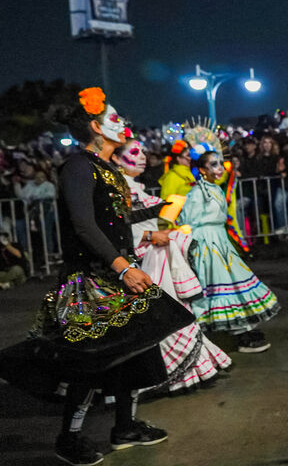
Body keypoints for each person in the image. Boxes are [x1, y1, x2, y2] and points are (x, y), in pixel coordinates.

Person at [0, 88, 193, 466]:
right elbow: (84, 226)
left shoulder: (109, 169)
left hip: (118, 277)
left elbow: (115, 221)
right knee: (88, 363)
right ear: (95, 127)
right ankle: (68, 438)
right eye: (115, 118)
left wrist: (163, 209)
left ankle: (125, 427)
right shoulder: (77, 166)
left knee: (134, 353)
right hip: (90, 281)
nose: (124, 123)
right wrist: (123, 266)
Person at [114, 139, 232, 391]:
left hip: (157, 256)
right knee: (163, 318)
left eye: (143, 151)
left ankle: (188, 373)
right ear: (115, 159)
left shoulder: (136, 188)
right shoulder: (118, 190)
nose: (143, 157)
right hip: (142, 263)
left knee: (174, 313)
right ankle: (160, 379)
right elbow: (115, 230)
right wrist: (149, 236)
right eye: (135, 152)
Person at [180, 143, 280, 353]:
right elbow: (188, 220)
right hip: (207, 245)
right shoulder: (197, 193)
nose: (219, 168)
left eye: (220, 163)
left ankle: (243, 329)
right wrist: (196, 248)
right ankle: (238, 333)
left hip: (221, 241)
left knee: (234, 285)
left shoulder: (215, 189)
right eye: (213, 165)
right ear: (203, 169)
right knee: (219, 288)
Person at [0, 220, 28, 289]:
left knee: (16, 270)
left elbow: (19, 255)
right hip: (5, 273)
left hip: (19, 274)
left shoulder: (15, 245)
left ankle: (4, 284)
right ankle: (8, 284)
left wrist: (7, 245)